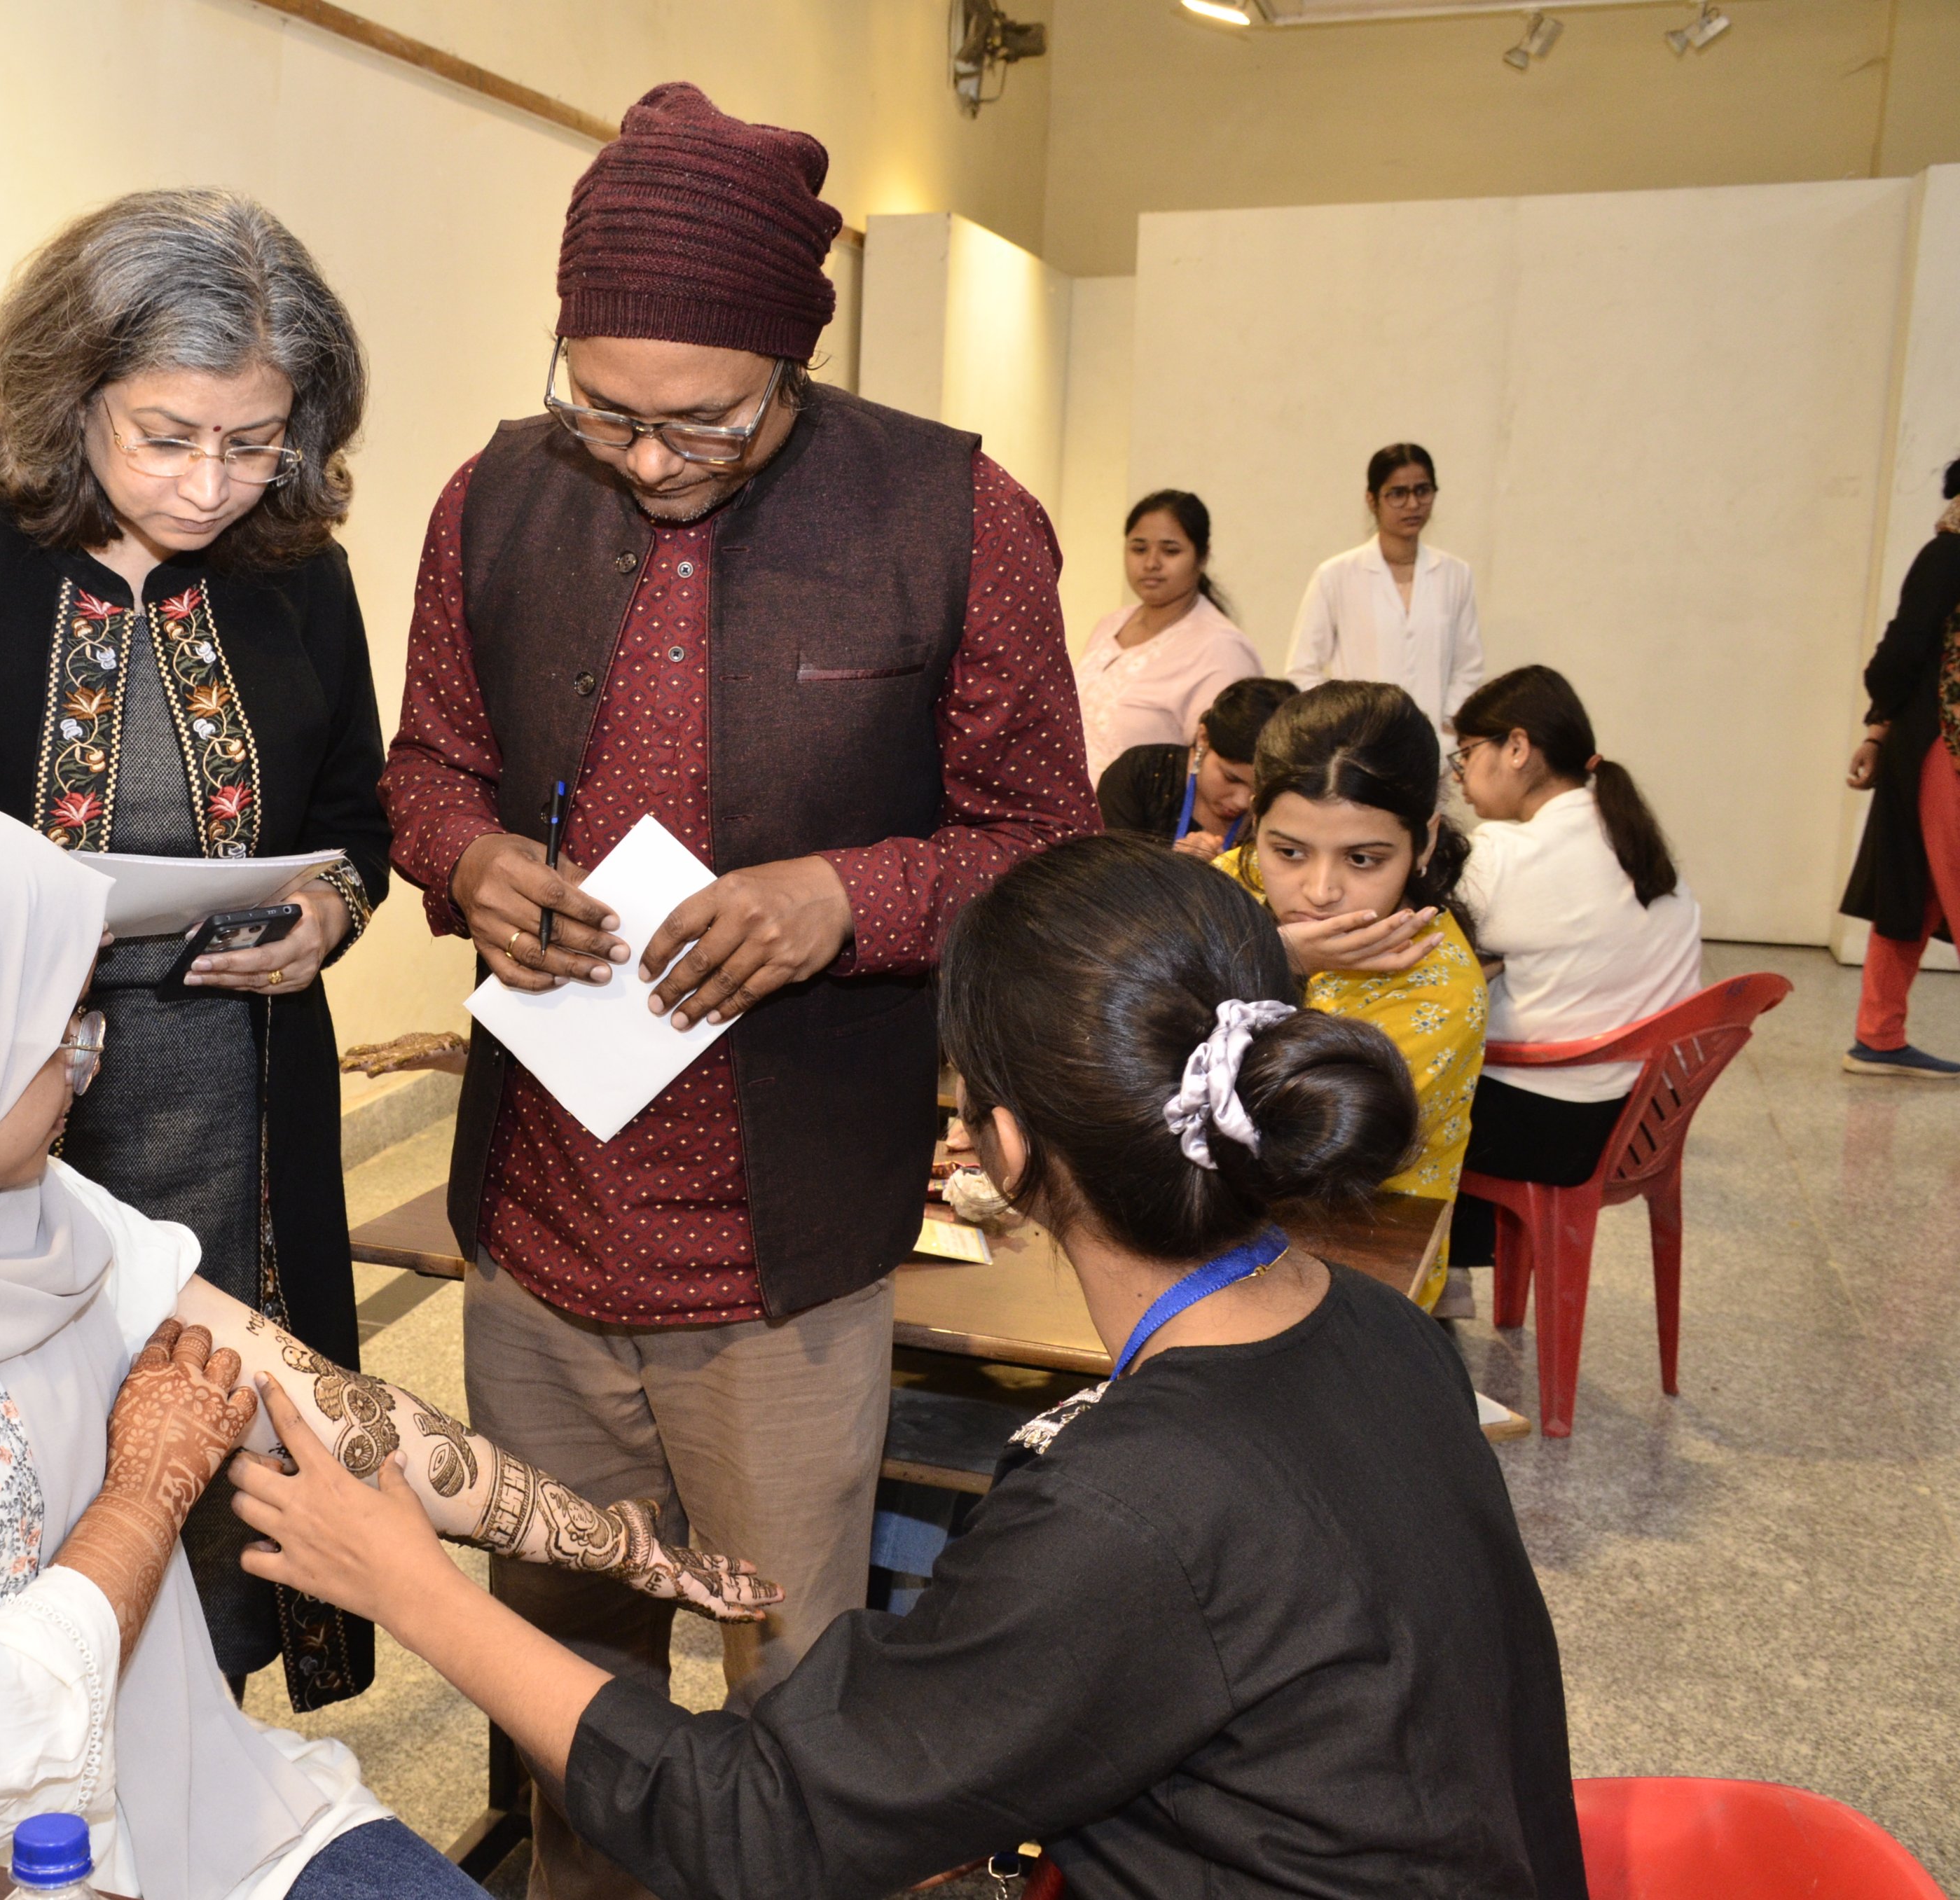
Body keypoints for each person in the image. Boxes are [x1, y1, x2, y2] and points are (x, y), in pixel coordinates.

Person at [234, 834, 1587, 1900]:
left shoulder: (1131, 1508)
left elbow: (756, 1820)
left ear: (1001, 1146)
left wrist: (412, 1587)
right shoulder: (1383, 1333)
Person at [0, 786, 770, 1900]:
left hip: (195, 1806)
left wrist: (623, 1547)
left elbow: (315, 1405)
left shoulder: (25, 1209)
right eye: (55, 1028)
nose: (85, 1066)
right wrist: (148, 1488)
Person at [378, 81, 1095, 1900]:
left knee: (797, 1709)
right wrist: (467, 859)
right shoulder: (491, 499)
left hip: (783, 1261)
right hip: (536, 1231)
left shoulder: (953, 516)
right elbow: (427, 766)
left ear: (799, 356)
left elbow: (1044, 845)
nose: (646, 459)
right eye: (602, 409)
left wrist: (848, 896)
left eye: (705, 420)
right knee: (570, 1697)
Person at [0, 190, 388, 1699]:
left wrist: (325, 912)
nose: (211, 483)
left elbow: (352, 815)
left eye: (255, 442)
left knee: (219, 1467)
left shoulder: (295, 571)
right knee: (9, 1528)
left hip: (232, 1129)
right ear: (71, 392)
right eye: (166, 436)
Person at [1215, 681, 1486, 1312]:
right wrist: (1281, 955)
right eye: (1288, 850)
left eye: (1363, 859)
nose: (1319, 890)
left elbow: (1276, 1146)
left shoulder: (1441, 991)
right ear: (1255, 823)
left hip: (1354, 1275)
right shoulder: (1231, 884)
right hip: (1211, 1231)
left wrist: (1275, 962)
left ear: (1424, 842)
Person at [1447, 667, 1702, 1273]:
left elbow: (1429, 953)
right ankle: (1453, 1270)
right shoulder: (1639, 842)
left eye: (1465, 754)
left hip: (1554, 1130)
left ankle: (1425, 1273)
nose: (1459, 777)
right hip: (1643, 1121)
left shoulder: (1504, 854)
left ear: (1516, 747)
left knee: (1396, 1088)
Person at [1836, 457, 1960, 1078]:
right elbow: (1902, 655)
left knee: (1919, 887)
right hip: (1943, 744)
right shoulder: (1949, 556)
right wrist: (1880, 729)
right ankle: (1878, 1037)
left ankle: (1879, 1036)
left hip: (1931, 741)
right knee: (1914, 885)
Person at [1284, 443, 1484, 735]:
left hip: (1436, 744)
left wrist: (1447, 719)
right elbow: (1302, 670)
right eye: (1398, 494)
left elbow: (1468, 666)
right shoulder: (1336, 575)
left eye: (1422, 491)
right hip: (1360, 742)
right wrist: (1345, 723)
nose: (1413, 504)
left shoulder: (1455, 574)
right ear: (1372, 500)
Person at [1071, 490, 1260, 783]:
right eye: (1139, 549)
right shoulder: (1110, 625)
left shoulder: (1221, 648)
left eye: (1170, 551)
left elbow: (1220, 769)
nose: (1151, 563)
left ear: (1202, 557)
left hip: (1144, 811)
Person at [1097, 675, 1298, 859]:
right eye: (1231, 778)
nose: (1242, 802)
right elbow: (1107, 873)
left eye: (1260, 791)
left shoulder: (1288, 807)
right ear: (1204, 739)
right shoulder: (1140, 774)